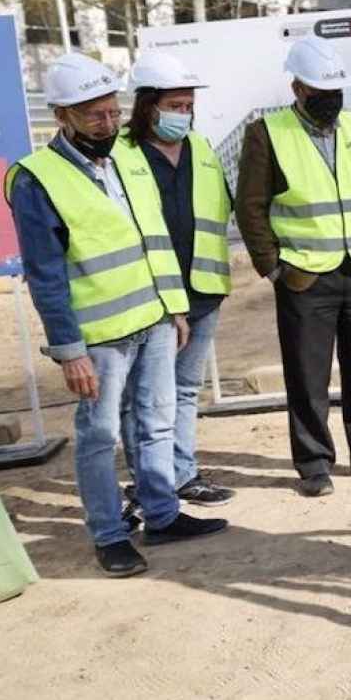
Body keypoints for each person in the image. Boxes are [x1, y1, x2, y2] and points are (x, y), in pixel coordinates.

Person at [5, 53, 228, 578]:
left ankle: (163, 514)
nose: (106, 124)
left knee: (155, 423)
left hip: (152, 320)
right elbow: (46, 275)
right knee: (99, 437)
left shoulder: (126, 161)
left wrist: (174, 307)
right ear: (62, 115)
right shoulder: (36, 180)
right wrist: (69, 351)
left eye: (111, 112)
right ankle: (108, 534)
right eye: (93, 116)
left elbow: (156, 240)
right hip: (99, 338)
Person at [236, 36, 351, 497]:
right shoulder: (266, 134)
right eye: (320, 92)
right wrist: (274, 269)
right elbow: (250, 208)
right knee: (308, 374)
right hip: (306, 276)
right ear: (298, 89)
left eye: (336, 91)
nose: (331, 101)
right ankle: (314, 463)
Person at [116, 51, 236, 524]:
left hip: (202, 289)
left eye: (187, 105)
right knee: (144, 398)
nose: (182, 113)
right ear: (148, 105)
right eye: (174, 104)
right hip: (151, 296)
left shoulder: (201, 149)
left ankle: (183, 474)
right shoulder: (121, 156)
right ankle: (149, 482)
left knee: (186, 388)